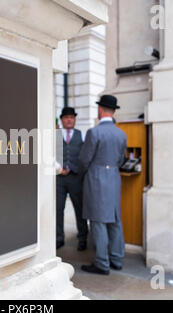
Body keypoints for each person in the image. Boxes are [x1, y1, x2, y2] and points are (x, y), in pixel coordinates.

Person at [79, 95, 127, 275]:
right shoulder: (121, 134)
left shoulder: (94, 132)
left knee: (98, 221)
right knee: (115, 220)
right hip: (114, 177)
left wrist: (82, 176)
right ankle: (116, 259)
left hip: (97, 178)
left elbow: (84, 160)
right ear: (113, 111)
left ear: (100, 110)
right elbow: (121, 159)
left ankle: (101, 263)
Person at [56, 107, 88, 251]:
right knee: (58, 209)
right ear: (62, 120)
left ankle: (83, 238)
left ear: (74, 120)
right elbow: (49, 154)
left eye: (72, 117)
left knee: (79, 209)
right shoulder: (55, 135)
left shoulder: (81, 135)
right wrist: (58, 168)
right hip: (59, 179)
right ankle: (58, 238)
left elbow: (85, 156)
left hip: (76, 178)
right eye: (66, 117)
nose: (69, 119)